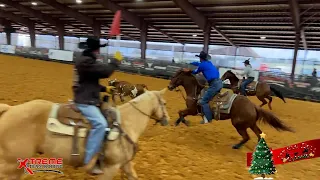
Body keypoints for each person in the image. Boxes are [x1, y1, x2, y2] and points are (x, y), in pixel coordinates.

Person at [73, 37, 121, 174]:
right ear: (96, 50)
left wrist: (104, 89)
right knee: (100, 124)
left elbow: (89, 82)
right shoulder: (86, 62)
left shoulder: (86, 60)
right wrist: (115, 61)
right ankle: (89, 161)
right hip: (85, 100)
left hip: (89, 97)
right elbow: (105, 72)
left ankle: (102, 153)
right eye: (99, 49)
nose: (100, 51)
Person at [183, 51, 222, 124]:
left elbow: (195, 71)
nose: (199, 60)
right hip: (219, 83)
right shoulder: (208, 63)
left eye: (199, 58)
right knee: (209, 98)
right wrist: (192, 63)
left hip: (214, 84)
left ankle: (208, 119)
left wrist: (189, 70)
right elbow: (198, 64)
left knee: (203, 101)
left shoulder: (202, 66)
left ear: (201, 58)